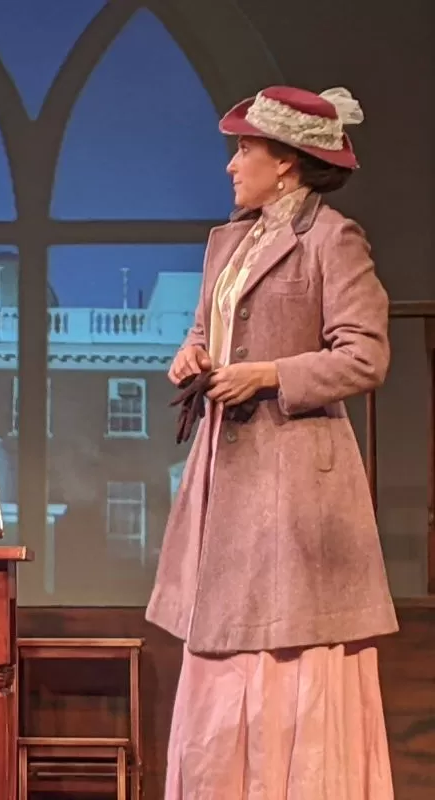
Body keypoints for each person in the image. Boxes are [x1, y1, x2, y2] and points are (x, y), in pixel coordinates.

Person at [147, 85, 397, 798]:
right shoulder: (230, 241)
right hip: (227, 473)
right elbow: (207, 327)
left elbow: (365, 356)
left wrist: (268, 374)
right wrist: (191, 353)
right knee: (222, 645)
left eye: (245, 149)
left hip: (294, 479)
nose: (232, 165)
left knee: (289, 645)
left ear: (285, 161)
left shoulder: (331, 238)